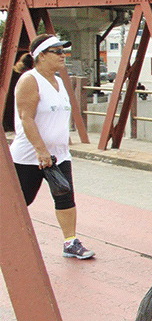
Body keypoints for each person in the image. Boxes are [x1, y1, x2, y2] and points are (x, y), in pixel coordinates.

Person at [11, 35, 95, 259]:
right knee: (21, 200)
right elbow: (25, 118)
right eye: (56, 51)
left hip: (59, 155)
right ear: (40, 56)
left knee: (65, 198)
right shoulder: (30, 80)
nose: (62, 55)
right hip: (29, 156)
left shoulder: (58, 82)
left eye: (63, 51)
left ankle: (70, 242)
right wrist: (41, 150)